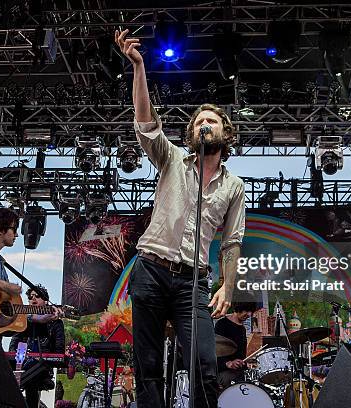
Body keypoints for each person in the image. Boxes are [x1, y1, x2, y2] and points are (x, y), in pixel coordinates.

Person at [115, 29, 246, 408]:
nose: (205, 124)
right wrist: (139, 68)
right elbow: (146, 123)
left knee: (205, 365)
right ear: (191, 133)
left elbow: (233, 240)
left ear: (225, 134)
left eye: (212, 121)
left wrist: (228, 284)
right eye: (199, 121)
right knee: (148, 366)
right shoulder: (171, 158)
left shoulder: (234, 185)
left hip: (193, 282)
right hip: (151, 272)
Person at [9, 284, 64, 408]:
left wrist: (45, 358)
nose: (33, 299)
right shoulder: (23, 321)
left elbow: (59, 351)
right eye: (30, 296)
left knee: (32, 374)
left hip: (42, 367)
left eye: (37, 296)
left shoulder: (56, 323)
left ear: (45, 301)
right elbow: (13, 346)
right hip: (22, 364)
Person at [214, 301, 258, 390]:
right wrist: (228, 363)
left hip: (239, 371)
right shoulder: (222, 324)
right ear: (238, 308)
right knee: (237, 381)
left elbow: (241, 356)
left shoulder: (242, 328)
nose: (249, 314)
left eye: (251, 312)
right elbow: (214, 353)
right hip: (224, 371)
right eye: (246, 310)